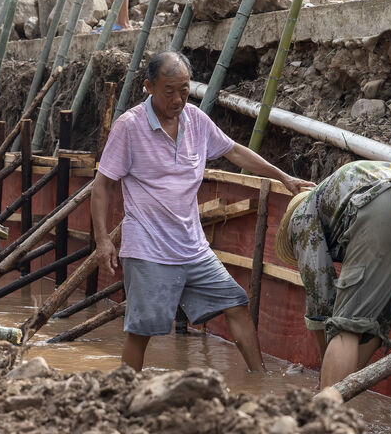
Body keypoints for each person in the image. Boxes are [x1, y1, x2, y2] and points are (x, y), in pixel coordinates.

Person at [92, 50, 314, 372]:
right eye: (169, 90)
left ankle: (260, 379)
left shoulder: (196, 120)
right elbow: (102, 186)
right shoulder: (129, 127)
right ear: (149, 87)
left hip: (193, 247)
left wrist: (283, 177)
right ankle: (122, 392)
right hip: (148, 248)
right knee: (142, 331)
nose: (178, 99)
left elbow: (235, 152)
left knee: (236, 303)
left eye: (184, 89)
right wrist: (103, 240)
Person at [276, 160, 391, 421]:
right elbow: (379, 320)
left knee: (346, 328)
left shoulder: (302, 215)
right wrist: (346, 379)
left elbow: (320, 298)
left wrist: (324, 383)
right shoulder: (346, 188)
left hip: (385, 208)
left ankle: (324, 424)